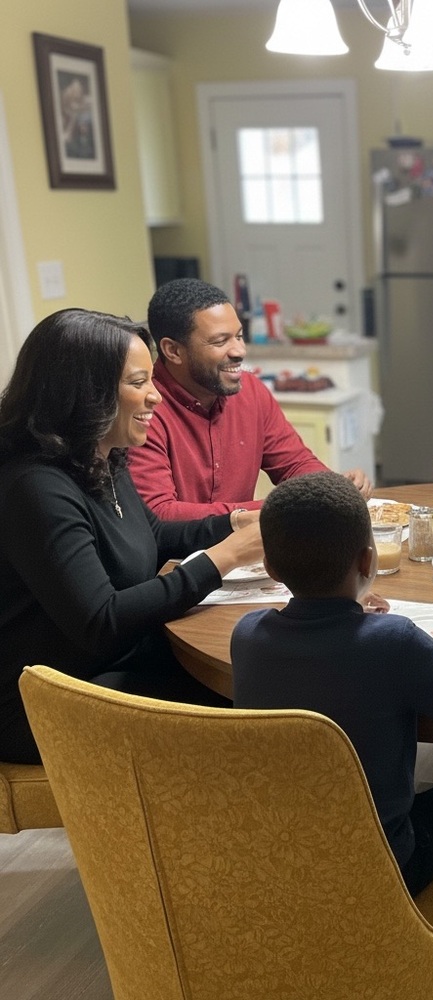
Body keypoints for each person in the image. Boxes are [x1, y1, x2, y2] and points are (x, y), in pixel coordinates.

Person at [230, 471, 433, 895]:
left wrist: (350, 606)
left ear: (270, 567)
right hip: (378, 871)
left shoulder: (247, 635)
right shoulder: (392, 641)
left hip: (279, 855)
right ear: (367, 561)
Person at [0, 309, 266, 765]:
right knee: (250, 720)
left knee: (257, 689)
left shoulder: (102, 455)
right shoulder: (35, 488)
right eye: (139, 382)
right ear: (86, 394)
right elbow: (100, 623)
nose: (156, 396)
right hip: (48, 703)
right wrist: (223, 558)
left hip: (113, 665)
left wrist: (233, 524)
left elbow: (152, 533)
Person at [129, 278, 372, 521]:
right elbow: (161, 513)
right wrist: (280, 508)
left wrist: (331, 488)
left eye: (239, 336)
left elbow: (294, 463)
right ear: (173, 351)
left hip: (246, 541)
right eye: (220, 341)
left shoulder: (251, 390)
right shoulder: (141, 409)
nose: (239, 351)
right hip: (181, 547)